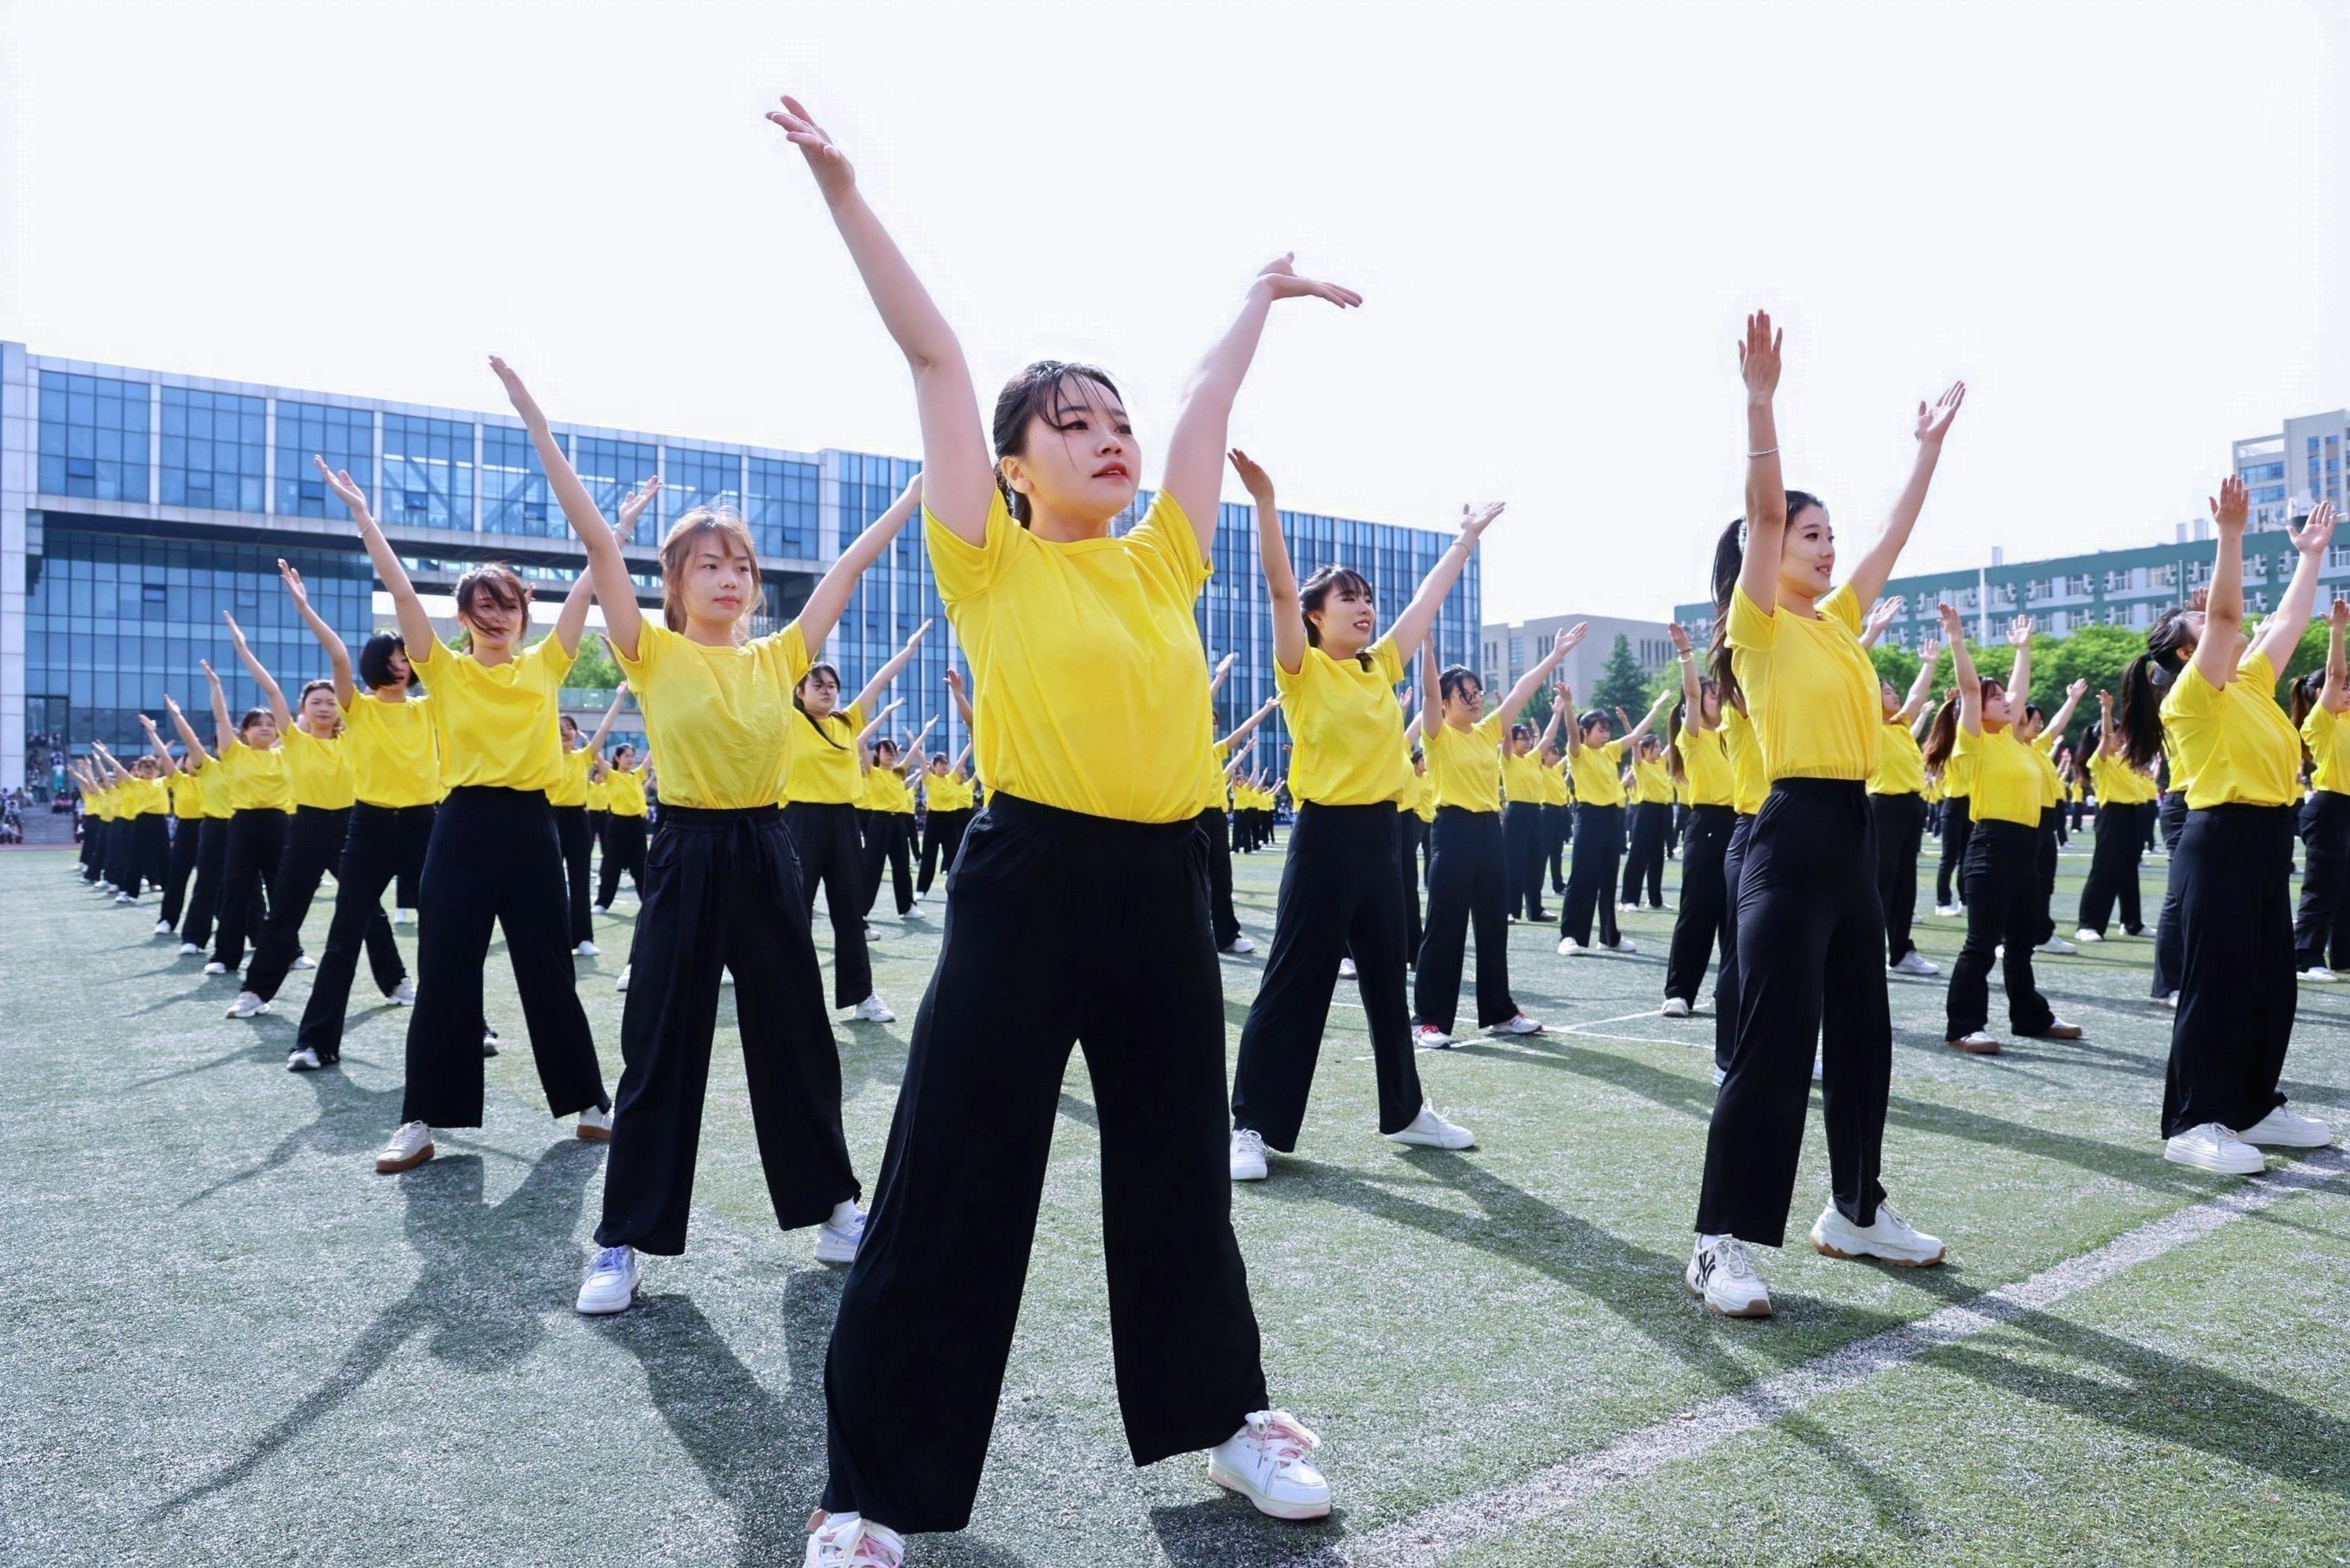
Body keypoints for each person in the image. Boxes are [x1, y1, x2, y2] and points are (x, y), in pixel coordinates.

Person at [770, 93, 1351, 1556]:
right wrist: (845, 191)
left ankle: (1228, 1418)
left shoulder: (1163, 558)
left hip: (1164, 883)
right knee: (953, 1181)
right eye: (1071, 423)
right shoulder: (986, 558)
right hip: (1027, 879)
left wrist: (1257, 296)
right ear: (1013, 468)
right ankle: (869, 1492)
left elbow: (1205, 405)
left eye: (1115, 420)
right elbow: (935, 355)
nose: (1109, 437)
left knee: (1177, 1171)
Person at [1689, 313, 1962, 1319]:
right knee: (1771, 1046)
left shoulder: (1838, 624)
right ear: (1767, 550)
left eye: (1826, 535)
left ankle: (1854, 1208)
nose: (1827, 545)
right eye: (1811, 533)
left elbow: (1892, 536)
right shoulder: (1755, 625)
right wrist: (1760, 403)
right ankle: (1717, 1244)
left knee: (1861, 1036)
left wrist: (1924, 451)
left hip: (1852, 832)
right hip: (1786, 832)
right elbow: (1761, 511)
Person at [314, 456, 616, 1174]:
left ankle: (591, 1103)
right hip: (461, 828)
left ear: (523, 612)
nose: (497, 616)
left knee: (548, 969)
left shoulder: (546, 663)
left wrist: (619, 528)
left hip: (533, 827)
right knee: (445, 971)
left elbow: (591, 577)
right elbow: (399, 589)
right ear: (463, 617)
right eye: (483, 606)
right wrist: (365, 518)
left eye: (507, 605)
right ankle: (419, 1119)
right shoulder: (442, 668)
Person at [1225, 450, 1486, 1181]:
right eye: (1347, 598)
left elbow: (1428, 599)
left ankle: (1406, 1111)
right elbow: (1280, 588)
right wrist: (1266, 504)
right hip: (1325, 837)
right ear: (1316, 617)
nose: (1364, 606)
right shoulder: (1303, 670)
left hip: (1384, 836)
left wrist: (1464, 541)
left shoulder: (1381, 665)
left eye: (1367, 596)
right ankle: (1249, 1123)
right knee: (1294, 979)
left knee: (1383, 979)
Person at [2115, 484, 2337, 1173]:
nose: (2229, 625)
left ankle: (2251, 1105)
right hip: (2219, 839)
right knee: (2217, 985)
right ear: (2189, 651)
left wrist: (2311, 555)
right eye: (2203, 624)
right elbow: (2226, 613)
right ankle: (2193, 1121)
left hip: (2269, 837)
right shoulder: (2194, 694)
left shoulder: (2250, 682)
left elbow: (2290, 620)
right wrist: (2231, 534)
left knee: (2271, 983)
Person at [279, 555, 449, 1070]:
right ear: (378, 663)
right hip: (370, 826)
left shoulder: (430, 706)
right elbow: (336, 652)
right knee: (344, 936)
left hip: (424, 825)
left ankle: (469, 1026)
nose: (403, 664)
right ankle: (314, 1042)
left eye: (407, 657)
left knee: (446, 932)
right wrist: (304, 608)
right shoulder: (358, 706)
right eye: (394, 656)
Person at [220, 607, 404, 1031]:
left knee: (369, 912)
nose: (324, 707)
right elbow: (270, 689)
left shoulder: (356, 733)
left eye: (330, 701)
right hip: (305, 828)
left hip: (351, 828)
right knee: (284, 912)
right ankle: (255, 992)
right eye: (315, 702)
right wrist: (243, 649)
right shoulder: (294, 739)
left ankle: (396, 982)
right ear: (302, 708)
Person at [1924, 609, 2081, 1053]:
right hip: (1991, 847)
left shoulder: (2014, 741)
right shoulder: (1974, 742)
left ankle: (2030, 1017)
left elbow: (2019, 691)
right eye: (1996, 699)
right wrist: (1957, 640)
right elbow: (1971, 689)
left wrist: (2023, 650)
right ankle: (1964, 1026)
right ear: (1975, 710)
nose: (2007, 702)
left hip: (2026, 848)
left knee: (2021, 944)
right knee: (1982, 943)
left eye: (2004, 698)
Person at [1415, 627, 1581, 1047]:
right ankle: (1429, 1019)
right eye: (1464, 694)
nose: (1475, 699)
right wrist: (1428, 648)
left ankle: (1500, 1013)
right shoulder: (1437, 735)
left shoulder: (1489, 730)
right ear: (1446, 702)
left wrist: (1555, 655)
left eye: (1477, 692)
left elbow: (1521, 691)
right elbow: (1429, 694)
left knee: (1493, 926)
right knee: (1445, 928)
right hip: (1452, 831)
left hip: (1491, 830)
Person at [781, 584, 929, 1024]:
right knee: (795, 909)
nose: (827, 691)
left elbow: (878, 682)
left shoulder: (847, 722)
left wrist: (907, 650)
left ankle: (862, 996)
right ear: (799, 691)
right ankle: (789, 995)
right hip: (800, 820)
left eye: (832, 686)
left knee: (849, 911)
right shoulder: (788, 721)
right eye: (818, 684)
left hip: (845, 822)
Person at [178, 659, 292, 978]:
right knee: (235, 890)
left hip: (279, 823)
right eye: (257, 724)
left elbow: (284, 706)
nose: (265, 728)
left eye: (269, 723)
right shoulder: (234, 752)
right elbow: (220, 717)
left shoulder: (286, 751)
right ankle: (226, 957)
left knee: (281, 891)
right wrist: (216, 686)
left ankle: (289, 952)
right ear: (245, 732)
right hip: (242, 824)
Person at [1558, 686, 1668, 955]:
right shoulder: (1578, 752)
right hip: (1589, 816)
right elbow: (1572, 732)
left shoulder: (1609, 751)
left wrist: (1655, 708)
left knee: (1608, 878)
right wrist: (1569, 705)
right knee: (1583, 877)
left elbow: (1636, 736)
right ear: (1586, 732)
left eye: (1608, 729)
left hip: (1612, 818)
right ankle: (1570, 936)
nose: (1606, 734)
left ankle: (1609, 937)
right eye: (1600, 729)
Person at [1661, 620, 1734, 1017]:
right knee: (1698, 911)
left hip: (1744, 823)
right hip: (1707, 824)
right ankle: (1680, 992)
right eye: (1712, 693)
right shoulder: (1693, 736)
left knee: (1737, 914)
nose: (1717, 697)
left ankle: (1730, 991)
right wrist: (1687, 654)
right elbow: (1691, 692)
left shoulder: (1734, 734)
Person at [1868, 627, 1942, 977]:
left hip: (1912, 806)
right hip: (1883, 806)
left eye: (1893, 690)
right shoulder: (1867, 725)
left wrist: (1929, 665)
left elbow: (1915, 696)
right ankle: (1866, 950)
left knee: (1905, 882)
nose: (1894, 695)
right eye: (1886, 691)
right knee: (1880, 881)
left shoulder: (1899, 726)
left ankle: (1900, 952)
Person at [2290, 599, 2350, 980]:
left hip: (2346, 809)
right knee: (2323, 886)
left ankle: (2343, 956)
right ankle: (2306, 957)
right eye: (2343, 687)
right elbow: (2334, 672)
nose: (2347, 690)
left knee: (2346, 887)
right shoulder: (2320, 722)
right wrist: (2337, 632)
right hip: (2329, 809)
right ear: (2318, 693)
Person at [2074, 693, 2155, 944]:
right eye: (2115, 734)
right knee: (2105, 870)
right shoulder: (2099, 761)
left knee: (2129, 869)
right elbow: (2107, 735)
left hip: (2134, 815)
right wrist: (2106, 711)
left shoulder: (2124, 760)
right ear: (2102, 738)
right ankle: (2088, 925)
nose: (2120, 738)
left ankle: (2132, 923)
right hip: (2113, 816)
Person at [2015, 679, 2087, 956]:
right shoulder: (2012, 746)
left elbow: (2056, 725)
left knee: (2045, 881)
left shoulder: (2038, 747)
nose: (2037, 724)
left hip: (2046, 821)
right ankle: (2010, 936)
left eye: (2039, 720)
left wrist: (2072, 699)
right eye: (2031, 719)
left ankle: (2042, 934)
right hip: (2025, 818)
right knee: (2023, 881)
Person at [860, 720, 933, 920]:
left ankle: (907, 907)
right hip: (879, 821)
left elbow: (914, 750)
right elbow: (861, 744)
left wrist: (923, 732)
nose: (891, 754)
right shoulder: (872, 772)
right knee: (872, 866)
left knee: (902, 865)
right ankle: (860, 910)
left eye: (892, 751)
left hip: (899, 822)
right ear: (877, 754)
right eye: (886, 751)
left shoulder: (899, 773)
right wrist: (873, 721)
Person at [1501, 699, 1562, 922]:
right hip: (1516, 814)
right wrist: (1505, 713)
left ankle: (1535, 910)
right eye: (1523, 738)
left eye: (1529, 738)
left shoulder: (1534, 758)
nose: (1528, 741)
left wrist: (1557, 713)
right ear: (1513, 740)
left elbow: (1547, 738)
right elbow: (1506, 736)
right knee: (1514, 864)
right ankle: (1509, 910)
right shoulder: (1507, 759)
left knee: (1535, 863)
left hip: (1536, 813)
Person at [1619, 729, 1674, 911]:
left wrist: (1680, 719)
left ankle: (1655, 900)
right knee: (1638, 856)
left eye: (1659, 746)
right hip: (1645, 811)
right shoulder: (1640, 765)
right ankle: (1628, 900)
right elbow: (1634, 740)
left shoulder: (1661, 763)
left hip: (1661, 811)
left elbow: (1673, 741)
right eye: (1656, 746)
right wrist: (1626, 722)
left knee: (1657, 857)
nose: (1659, 749)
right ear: (1645, 749)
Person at [595, 740, 651, 910]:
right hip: (617, 824)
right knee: (612, 864)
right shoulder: (611, 775)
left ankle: (647, 902)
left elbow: (650, 756)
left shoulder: (637, 775)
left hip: (637, 824)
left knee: (641, 865)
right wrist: (584, 739)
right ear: (617, 758)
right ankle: (602, 903)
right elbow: (596, 754)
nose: (630, 759)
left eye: (632, 756)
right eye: (626, 756)